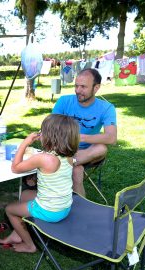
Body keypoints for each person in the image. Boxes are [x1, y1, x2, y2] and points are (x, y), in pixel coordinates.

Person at [0, 114, 80, 253]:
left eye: (43, 131)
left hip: (50, 210)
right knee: (26, 194)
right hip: (64, 206)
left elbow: (15, 168)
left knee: (10, 209)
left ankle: (29, 245)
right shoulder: (69, 156)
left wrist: (25, 142)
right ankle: (18, 233)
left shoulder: (44, 158)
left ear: (51, 136)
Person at [52, 68, 117, 196]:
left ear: (96, 88)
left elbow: (111, 138)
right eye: (76, 86)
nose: (78, 90)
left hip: (87, 153)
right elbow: (52, 128)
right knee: (77, 171)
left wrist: (81, 138)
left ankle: (66, 162)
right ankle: (72, 162)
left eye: (83, 87)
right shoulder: (64, 101)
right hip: (63, 147)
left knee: (101, 148)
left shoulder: (106, 108)